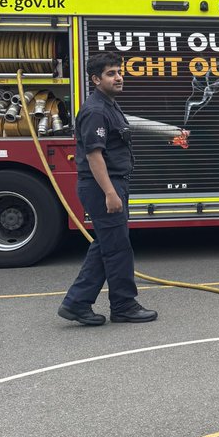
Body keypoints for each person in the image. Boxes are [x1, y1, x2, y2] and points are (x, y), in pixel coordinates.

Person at [58, 51, 157, 326]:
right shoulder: (96, 110)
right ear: (95, 79)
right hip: (103, 186)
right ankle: (124, 305)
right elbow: (94, 155)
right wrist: (110, 193)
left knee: (107, 245)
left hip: (110, 184)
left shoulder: (109, 104)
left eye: (119, 71)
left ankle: (76, 303)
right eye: (111, 73)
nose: (119, 77)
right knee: (117, 249)